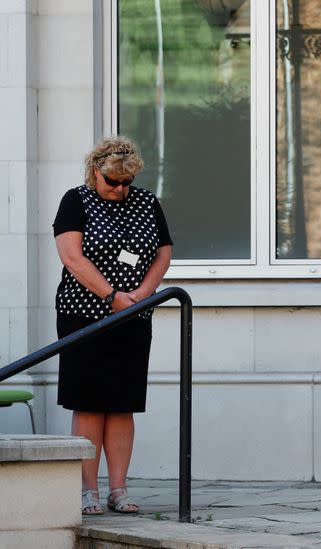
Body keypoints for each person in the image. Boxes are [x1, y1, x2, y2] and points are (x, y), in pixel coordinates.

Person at [53, 136, 173, 515]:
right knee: (89, 403)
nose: (120, 189)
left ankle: (118, 489)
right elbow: (72, 257)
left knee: (122, 405)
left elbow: (164, 252)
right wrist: (111, 296)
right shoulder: (76, 199)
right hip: (84, 314)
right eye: (113, 182)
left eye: (127, 182)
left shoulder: (146, 201)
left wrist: (142, 292)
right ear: (95, 171)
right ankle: (86, 490)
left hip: (133, 315)